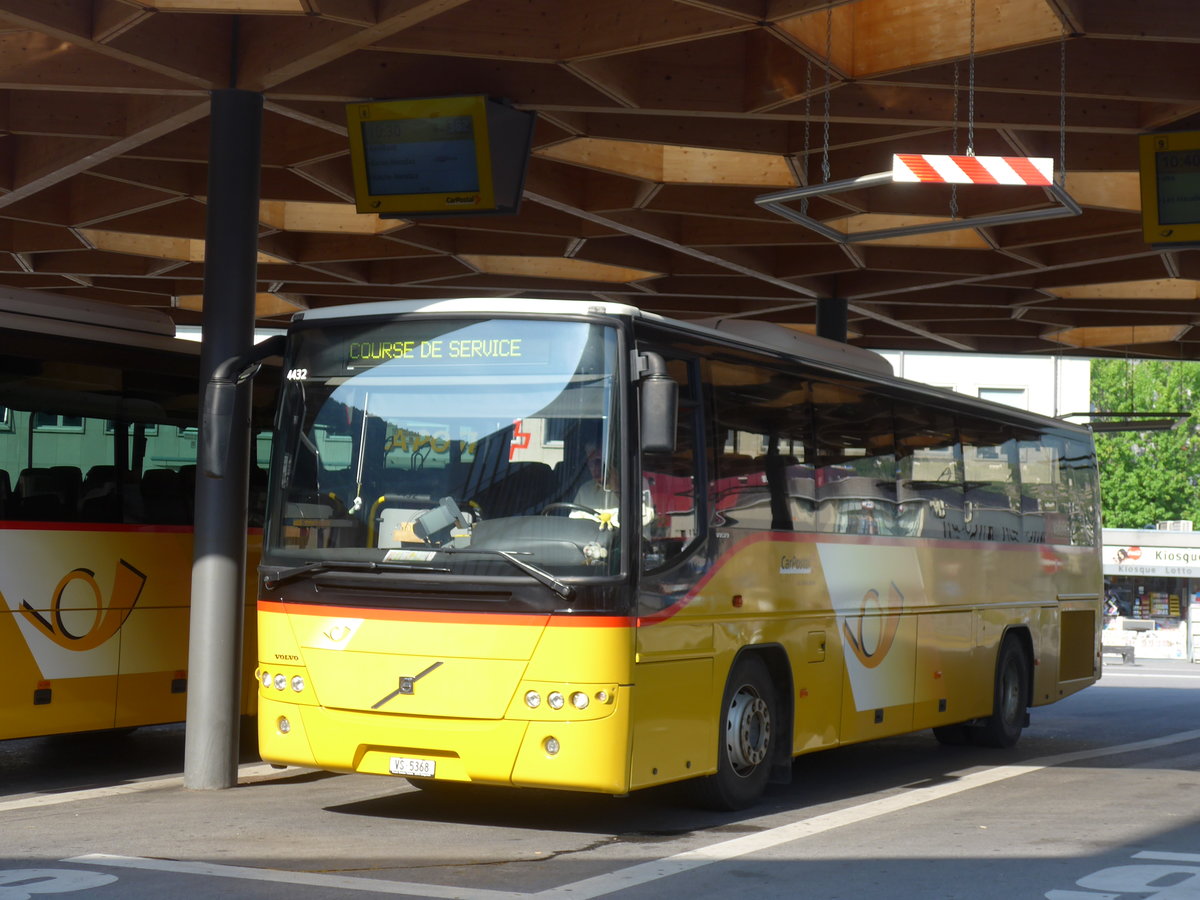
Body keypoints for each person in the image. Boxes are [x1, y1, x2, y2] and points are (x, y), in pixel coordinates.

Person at [573, 446, 654, 531]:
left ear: (610, 462)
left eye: (598, 462)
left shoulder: (637, 483)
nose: (595, 469)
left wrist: (618, 489)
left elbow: (644, 519)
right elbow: (574, 525)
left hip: (626, 542)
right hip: (590, 542)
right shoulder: (584, 490)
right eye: (591, 464)